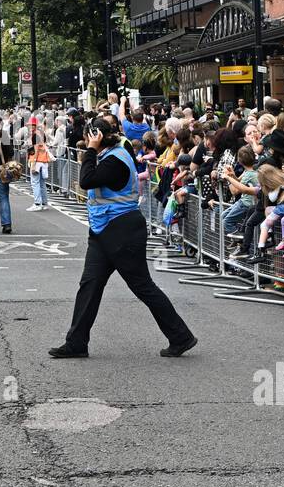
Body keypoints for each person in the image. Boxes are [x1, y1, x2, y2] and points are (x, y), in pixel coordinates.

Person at [50, 114, 197, 359]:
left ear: (96, 137)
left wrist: (89, 150)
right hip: (102, 230)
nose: (86, 141)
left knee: (142, 286)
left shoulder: (115, 159)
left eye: (89, 137)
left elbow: (86, 180)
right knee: (89, 285)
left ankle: (180, 336)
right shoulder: (109, 155)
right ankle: (76, 342)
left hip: (122, 230)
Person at [28, 118, 53, 212]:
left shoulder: (35, 135)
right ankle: (44, 203)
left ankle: (37, 203)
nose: (29, 127)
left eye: (31, 125)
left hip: (37, 161)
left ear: (34, 126)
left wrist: (33, 163)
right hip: (43, 161)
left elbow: (36, 150)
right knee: (42, 183)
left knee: (35, 183)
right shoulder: (41, 133)